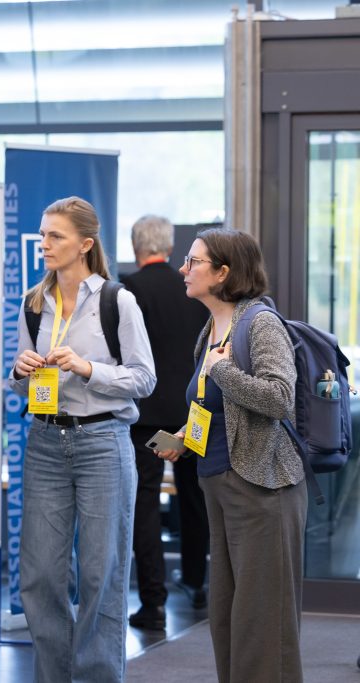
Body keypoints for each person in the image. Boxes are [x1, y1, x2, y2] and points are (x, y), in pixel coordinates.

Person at [9, 196, 155, 683]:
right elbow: (21, 381)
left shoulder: (118, 300)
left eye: (55, 236)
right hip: (46, 442)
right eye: (43, 234)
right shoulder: (34, 303)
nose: (44, 244)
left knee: (100, 574)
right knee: (41, 576)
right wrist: (20, 370)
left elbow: (144, 378)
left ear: (85, 245)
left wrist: (89, 368)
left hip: (103, 443)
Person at [154, 228, 305, 683]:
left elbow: (281, 398)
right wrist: (185, 434)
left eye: (194, 262)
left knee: (264, 621)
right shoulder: (211, 328)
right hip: (218, 482)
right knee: (227, 617)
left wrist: (223, 370)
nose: (183, 268)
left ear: (224, 273)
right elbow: (214, 407)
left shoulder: (260, 323)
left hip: (262, 486)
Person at [121, 215, 210, 631]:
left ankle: (152, 602)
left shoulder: (129, 291)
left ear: (135, 246)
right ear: (170, 248)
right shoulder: (193, 287)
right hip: (194, 412)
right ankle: (196, 581)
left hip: (147, 418)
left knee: (145, 504)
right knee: (195, 497)